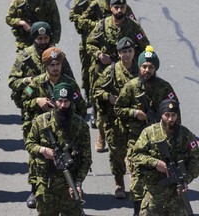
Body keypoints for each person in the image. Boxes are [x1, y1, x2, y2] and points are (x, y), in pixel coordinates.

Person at [114, 46, 180, 216]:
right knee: (137, 182)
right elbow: (119, 109)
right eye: (144, 66)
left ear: (155, 68)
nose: (147, 70)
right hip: (136, 141)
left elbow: (176, 113)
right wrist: (136, 113)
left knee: (163, 178)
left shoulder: (165, 87)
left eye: (150, 67)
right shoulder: (131, 87)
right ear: (139, 67)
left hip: (160, 141)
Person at [22, 47, 86, 208]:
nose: (55, 68)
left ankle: (71, 189)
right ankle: (36, 190)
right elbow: (23, 100)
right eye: (52, 65)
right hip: (41, 128)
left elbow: (81, 107)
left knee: (67, 160)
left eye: (58, 64)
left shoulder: (69, 84)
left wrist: (69, 113)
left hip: (65, 128)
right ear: (46, 66)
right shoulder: (37, 83)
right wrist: (36, 101)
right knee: (37, 160)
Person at [86, 0, 149, 151]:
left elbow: (145, 47)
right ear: (111, 8)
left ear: (126, 7)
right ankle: (101, 134)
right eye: (116, 7)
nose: (119, 10)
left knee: (130, 102)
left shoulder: (133, 26)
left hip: (128, 69)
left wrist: (142, 64)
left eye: (122, 7)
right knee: (103, 105)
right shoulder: (102, 25)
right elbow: (89, 43)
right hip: (105, 71)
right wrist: (99, 54)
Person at [25, 82, 92, 215]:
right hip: (46, 185)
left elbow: (86, 158)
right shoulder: (40, 121)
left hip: (70, 185)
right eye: (59, 101)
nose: (62, 105)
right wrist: (43, 150)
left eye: (66, 101)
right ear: (53, 101)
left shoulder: (80, 126)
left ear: (71, 102)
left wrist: (78, 182)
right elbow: (29, 143)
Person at [131, 99, 199, 215]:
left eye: (173, 115)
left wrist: (186, 180)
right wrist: (155, 163)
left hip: (176, 194)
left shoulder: (185, 135)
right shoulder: (149, 132)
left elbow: (196, 160)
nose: (170, 119)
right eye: (167, 115)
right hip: (154, 191)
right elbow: (135, 155)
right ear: (161, 115)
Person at [93, 37, 138, 198]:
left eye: (130, 51)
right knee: (116, 154)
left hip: (135, 120)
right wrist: (108, 96)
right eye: (123, 52)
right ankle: (119, 182)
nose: (127, 55)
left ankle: (136, 183)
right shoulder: (111, 71)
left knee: (136, 153)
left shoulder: (141, 70)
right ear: (119, 54)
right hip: (114, 121)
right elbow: (96, 90)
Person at [8, 21, 74, 111]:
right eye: (40, 38)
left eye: (46, 38)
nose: (43, 41)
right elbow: (12, 82)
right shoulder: (24, 56)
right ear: (34, 38)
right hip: (33, 100)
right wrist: (28, 81)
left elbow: (70, 81)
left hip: (59, 103)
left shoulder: (58, 55)